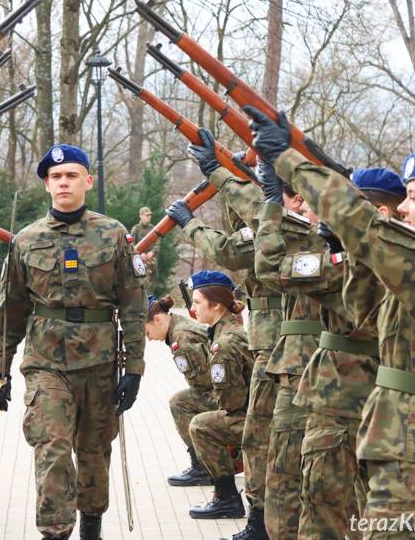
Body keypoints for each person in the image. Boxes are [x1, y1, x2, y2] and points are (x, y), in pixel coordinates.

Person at [247, 106, 415, 539]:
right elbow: (360, 309)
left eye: (414, 198)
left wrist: (289, 158)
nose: (403, 208)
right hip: (413, 450)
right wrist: (357, 247)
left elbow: (363, 225)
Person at [0, 143, 147, 540]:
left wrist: (135, 369)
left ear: (87, 181)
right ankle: (55, 532)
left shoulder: (113, 234)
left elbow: (133, 305)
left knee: (95, 452)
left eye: (71, 175)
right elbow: (11, 311)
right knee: (52, 448)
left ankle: (91, 526)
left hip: (100, 362)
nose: (63, 182)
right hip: (46, 363)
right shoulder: (26, 240)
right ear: (46, 185)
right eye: (56, 177)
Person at [167, 128, 283, 540]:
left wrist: (219, 179)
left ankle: (259, 518)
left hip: (284, 349)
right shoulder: (274, 220)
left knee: (260, 438)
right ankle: (254, 512)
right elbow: (243, 228)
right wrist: (233, 175)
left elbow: (235, 249)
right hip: (277, 345)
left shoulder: (284, 224)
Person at [185, 270, 252, 520]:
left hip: (256, 419)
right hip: (260, 411)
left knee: (201, 425)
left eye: (197, 302)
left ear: (216, 304)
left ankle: (226, 498)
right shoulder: (229, 331)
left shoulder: (223, 344)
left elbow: (232, 402)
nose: (193, 309)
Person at [144, 293, 217, 487]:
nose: (149, 339)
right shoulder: (179, 325)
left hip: (229, 393)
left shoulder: (181, 339)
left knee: (180, 403)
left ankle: (203, 466)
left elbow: (205, 383)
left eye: (147, 332)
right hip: (231, 388)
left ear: (157, 320)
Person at [130, 206, 158, 291]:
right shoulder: (136, 229)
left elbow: (157, 243)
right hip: (139, 259)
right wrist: (139, 254)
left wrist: (152, 252)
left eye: (150, 215)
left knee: (153, 279)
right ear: (141, 216)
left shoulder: (153, 228)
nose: (149, 217)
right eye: (146, 215)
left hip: (151, 259)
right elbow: (131, 244)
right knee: (142, 283)